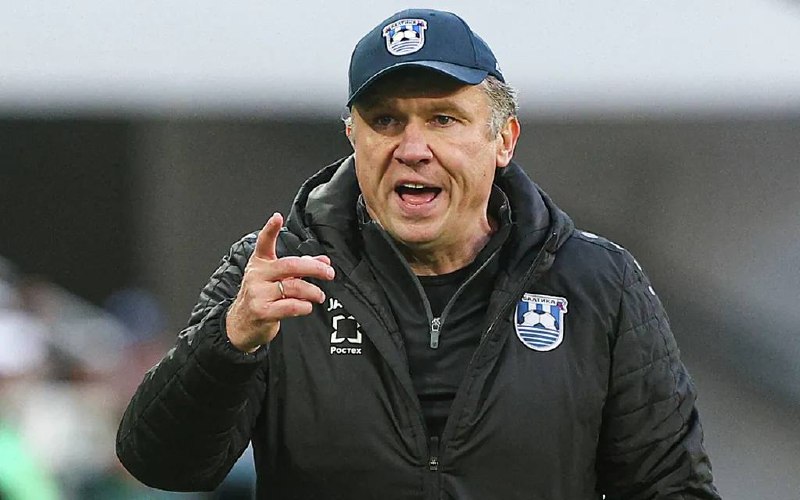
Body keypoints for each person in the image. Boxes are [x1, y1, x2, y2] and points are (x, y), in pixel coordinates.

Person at [117, 8, 720, 499]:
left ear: (503, 139)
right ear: (353, 137)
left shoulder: (597, 284)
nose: (412, 147)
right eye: (385, 120)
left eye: (443, 119)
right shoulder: (275, 276)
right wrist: (230, 343)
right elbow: (160, 463)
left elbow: (670, 487)